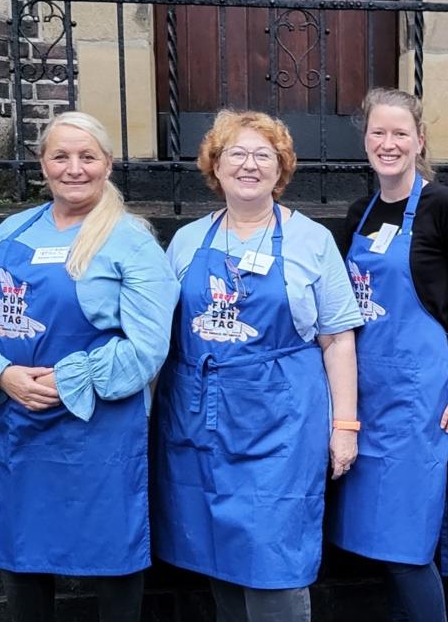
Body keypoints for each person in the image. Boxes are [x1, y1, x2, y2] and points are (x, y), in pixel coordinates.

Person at [0, 111, 179, 622]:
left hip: (99, 431)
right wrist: (2, 373)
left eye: (87, 157)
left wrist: (70, 379)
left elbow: (147, 347)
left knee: (111, 558)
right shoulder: (12, 231)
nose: (74, 168)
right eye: (60, 156)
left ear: (108, 165)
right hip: (20, 427)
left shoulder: (132, 242)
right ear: (43, 164)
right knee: (23, 560)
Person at [152, 109, 362, 622]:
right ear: (216, 167)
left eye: (262, 155)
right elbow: (159, 338)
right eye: (236, 154)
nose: (249, 165)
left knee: (275, 560)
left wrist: (345, 427)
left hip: (281, 429)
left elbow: (338, 341)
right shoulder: (185, 243)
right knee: (216, 553)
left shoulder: (312, 242)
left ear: (280, 169)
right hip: (200, 422)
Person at [328, 88, 448, 622]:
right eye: (379, 132)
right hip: (365, 396)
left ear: (419, 140)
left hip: (419, 398)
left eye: (401, 133)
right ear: (366, 140)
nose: (388, 143)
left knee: (407, 546)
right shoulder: (360, 212)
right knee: (378, 548)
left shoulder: (446, 206)